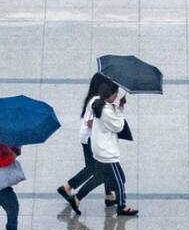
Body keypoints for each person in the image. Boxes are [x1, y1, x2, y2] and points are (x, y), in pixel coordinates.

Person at [57, 73, 118, 214]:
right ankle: (69, 189)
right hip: (92, 140)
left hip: (90, 138)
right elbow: (90, 122)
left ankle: (109, 195)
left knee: (99, 168)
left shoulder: (97, 99)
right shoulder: (96, 100)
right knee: (99, 170)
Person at [90, 80, 139, 216]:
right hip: (107, 152)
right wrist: (120, 111)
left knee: (116, 178)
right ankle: (121, 206)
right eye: (116, 93)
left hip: (102, 149)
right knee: (118, 179)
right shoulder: (106, 110)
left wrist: (120, 107)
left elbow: (114, 118)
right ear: (110, 95)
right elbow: (118, 126)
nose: (117, 96)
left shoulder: (102, 106)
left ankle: (111, 198)